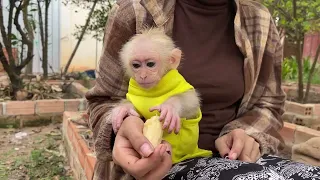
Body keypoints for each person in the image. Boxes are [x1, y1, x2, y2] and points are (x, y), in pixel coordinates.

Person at [85, 0, 320, 179]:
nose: (143, 73)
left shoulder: (260, 20)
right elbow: (103, 100)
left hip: (233, 157)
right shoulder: (136, 12)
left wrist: (247, 133)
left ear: (174, 61)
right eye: (136, 66)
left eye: (150, 64)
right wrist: (121, 126)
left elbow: (269, 103)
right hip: (157, 162)